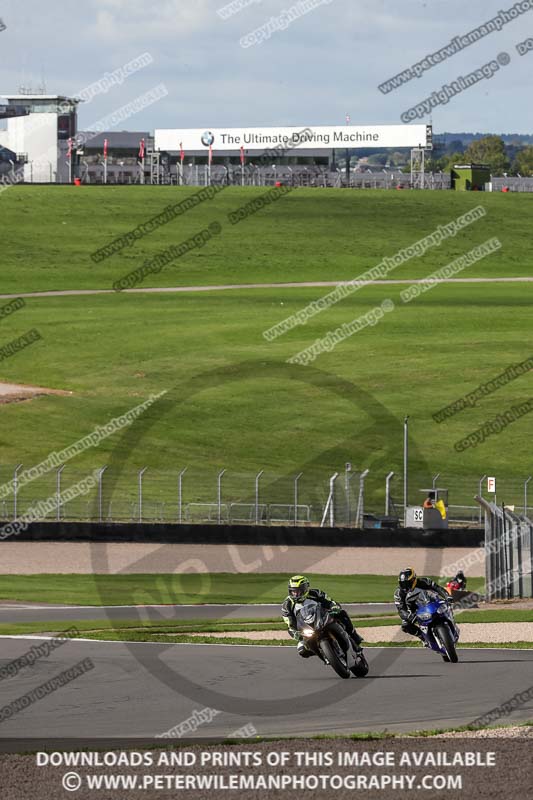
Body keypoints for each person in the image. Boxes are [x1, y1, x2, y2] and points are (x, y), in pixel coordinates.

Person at [282, 575, 363, 658]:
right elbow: (289, 623)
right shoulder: (287, 605)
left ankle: (355, 636)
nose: (296, 594)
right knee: (302, 650)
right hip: (307, 627)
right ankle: (323, 655)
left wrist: (334, 607)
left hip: (323, 617)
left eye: (299, 591)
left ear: (306, 588)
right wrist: (296, 633)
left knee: (342, 613)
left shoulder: (316, 593)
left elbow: (330, 601)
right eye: (293, 591)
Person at [394, 568, 450, 644]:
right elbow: (401, 609)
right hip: (414, 610)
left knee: (446, 607)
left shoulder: (425, 581)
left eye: (407, 583)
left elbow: (437, 588)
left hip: (431, 602)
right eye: (402, 583)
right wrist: (408, 616)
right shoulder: (398, 593)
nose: (405, 586)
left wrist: (447, 596)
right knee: (405, 626)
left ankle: (450, 622)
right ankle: (422, 636)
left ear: (413, 579)